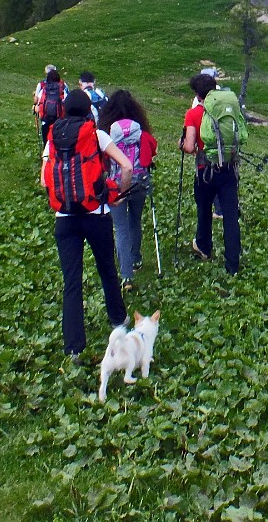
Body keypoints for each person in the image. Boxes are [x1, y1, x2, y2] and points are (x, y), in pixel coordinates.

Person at [42, 89, 131, 358]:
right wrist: (118, 195)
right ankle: (118, 319)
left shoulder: (53, 139)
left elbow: (44, 180)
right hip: (96, 214)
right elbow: (126, 166)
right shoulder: (96, 135)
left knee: (72, 281)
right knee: (106, 269)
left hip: (65, 220)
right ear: (88, 111)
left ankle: (73, 347)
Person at [181, 72, 241, 274]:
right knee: (231, 216)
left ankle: (204, 248)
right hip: (229, 169)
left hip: (205, 171)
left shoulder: (194, 114)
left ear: (197, 95)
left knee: (204, 210)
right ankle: (232, 263)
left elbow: (189, 147)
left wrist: (182, 144)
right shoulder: (228, 108)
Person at [99, 89, 158, 292]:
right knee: (135, 220)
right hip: (139, 183)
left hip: (116, 186)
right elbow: (152, 153)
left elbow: (103, 161)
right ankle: (136, 258)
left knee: (120, 228)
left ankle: (126, 276)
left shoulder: (106, 133)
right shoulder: (143, 133)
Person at [33, 65, 67, 151]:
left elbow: (37, 101)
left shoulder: (44, 87)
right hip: (60, 119)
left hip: (46, 119)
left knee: (46, 140)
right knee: (58, 140)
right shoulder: (63, 87)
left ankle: (46, 158)